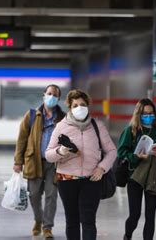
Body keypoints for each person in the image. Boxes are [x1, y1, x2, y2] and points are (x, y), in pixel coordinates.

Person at [45, 89, 117, 240]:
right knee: (72, 221)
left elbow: (111, 151)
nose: (79, 108)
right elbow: (48, 155)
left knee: (88, 220)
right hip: (67, 180)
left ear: (88, 106)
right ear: (69, 108)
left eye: (82, 104)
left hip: (91, 180)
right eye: (75, 105)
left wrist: (101, 168)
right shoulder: (61, 126)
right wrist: (61, 151)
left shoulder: (97, 126)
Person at [13, 84, 66, 238]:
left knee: (51, 195)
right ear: (44, 95)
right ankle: (38, 219)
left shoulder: (63, 118)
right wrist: (18, 161)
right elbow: (21, 139)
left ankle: (47, 227)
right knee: (34, 194)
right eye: (49, 93)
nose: (51, 97)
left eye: (55, 95)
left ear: (58, 98)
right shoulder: (31, 115)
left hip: (54, 163)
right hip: (34, 161)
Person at [117, 98, 156, 240]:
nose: (148, 116)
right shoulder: (130, 131)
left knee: (150, 215)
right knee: (135, 215)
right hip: (135, 177)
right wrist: (136, 156)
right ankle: (127, 235)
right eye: (145, 114)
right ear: (139, 114)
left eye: (151, 113)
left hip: (153, 177)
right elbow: (121, 152)